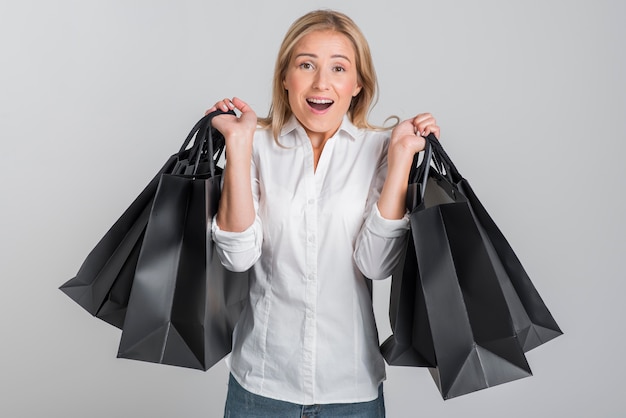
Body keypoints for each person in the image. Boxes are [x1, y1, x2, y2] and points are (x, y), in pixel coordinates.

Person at [208, 9, 440, 418]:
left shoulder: (381, 149)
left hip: (350, 389)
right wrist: (239, 145)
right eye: (306, 65)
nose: (321, 82)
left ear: (357, 84)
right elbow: (238, 255)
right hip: (260, 385)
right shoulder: (257, 145)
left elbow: (375, 264)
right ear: (285, 77)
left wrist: (402, 155)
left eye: (338, 67)